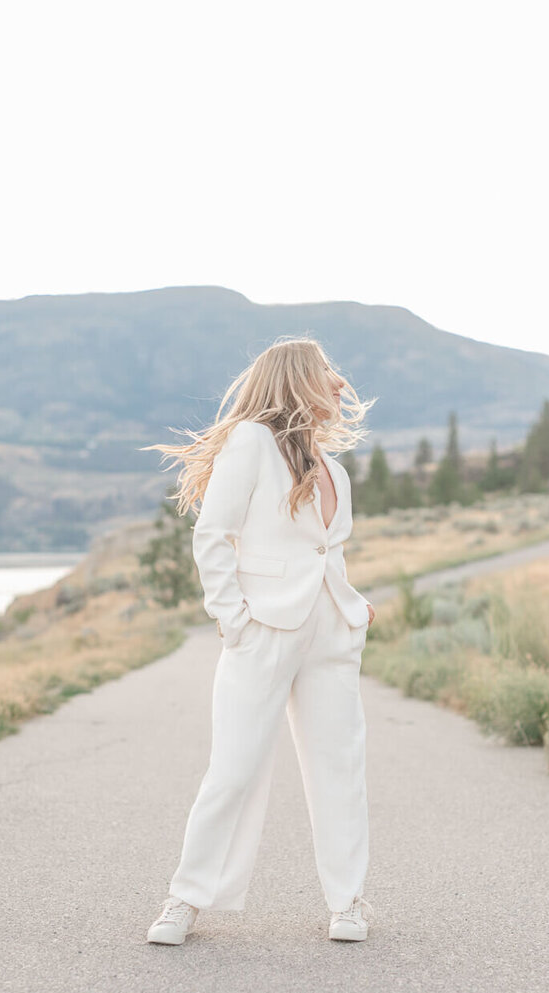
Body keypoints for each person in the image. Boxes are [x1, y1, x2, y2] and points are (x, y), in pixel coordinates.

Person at [142, 336, 378, 944]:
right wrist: (234, 621)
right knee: (234, 769)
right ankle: (185, 899)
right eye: (328, 370)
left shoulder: (332, 466)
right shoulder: (250, 442)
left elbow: (322, 551)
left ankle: (348, 902)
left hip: (331, 634)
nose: (339, 383)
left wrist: (350, 604)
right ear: (298, 377)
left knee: (339, 767)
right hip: (263, 629)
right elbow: (212, 535)